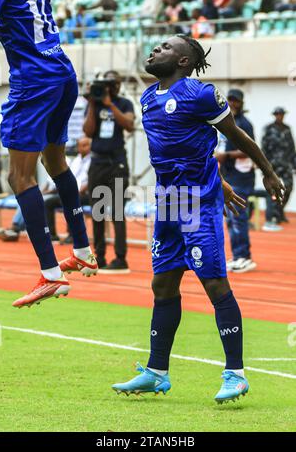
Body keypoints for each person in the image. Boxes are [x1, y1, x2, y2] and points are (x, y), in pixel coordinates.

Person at [112, 35, 285, 403]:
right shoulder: (146, 98)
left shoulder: (201, 94)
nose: (156, 49)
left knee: (214, 284)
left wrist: (268, 173)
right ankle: (157, 372)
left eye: (166, 47)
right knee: (162, 285)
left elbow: (236, 135)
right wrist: (219, 180)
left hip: (197, 206)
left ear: (184, 62)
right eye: (157, 45)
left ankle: (235, 373)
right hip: (168, 205)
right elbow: (183, 147)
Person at [0, 0, 98, 309]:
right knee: (56, 163)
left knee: (19, 177)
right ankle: (82, 251)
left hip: (33, 80)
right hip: (61, 72)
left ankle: (51, 273)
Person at [84, 71, 135, 273]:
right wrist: (94, 104)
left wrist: (109, 104)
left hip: (117, 164)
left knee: (117, 212)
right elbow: (88, 132)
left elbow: (129, 125)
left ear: (119, 85)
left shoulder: (124, 104)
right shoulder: (94, 103)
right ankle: (100, 256)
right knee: (97, 212)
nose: (112, 87)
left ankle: (121, 259)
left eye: (115, 83)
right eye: (108, 83)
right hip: (97, 164)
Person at [216, 89, 257, 273]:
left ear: (242, 103)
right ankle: (238, 254)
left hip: (241, 176)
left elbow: (249, 148)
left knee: (238, 217)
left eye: (236, 101)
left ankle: (244, 256)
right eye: (230, 100)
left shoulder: (244, 124)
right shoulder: (225, 122)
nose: (233, 103)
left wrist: (226, 155)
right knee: (231, 219)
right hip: (228, 174)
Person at [262, 107, 296, 230]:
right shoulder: (268, 129)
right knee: (273, 190)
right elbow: (263, 148)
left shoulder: (287, 129)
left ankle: (280, 211)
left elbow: (292, 148)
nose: (279, 116)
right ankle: (274, 215)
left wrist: (294, 164)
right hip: (273, 166)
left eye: (281, 114)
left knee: (288, 188)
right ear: (274, 115)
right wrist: (264, 166)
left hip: (286, 164)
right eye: (277, 114)